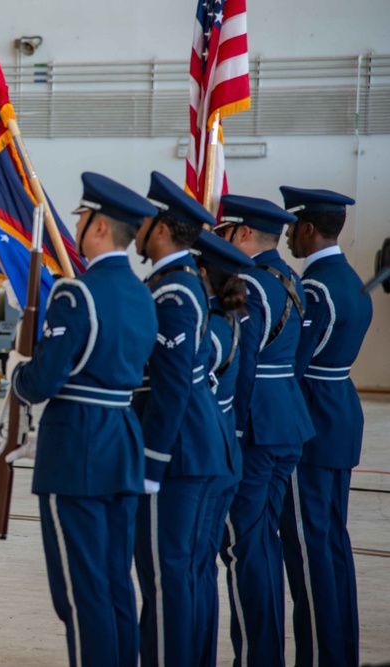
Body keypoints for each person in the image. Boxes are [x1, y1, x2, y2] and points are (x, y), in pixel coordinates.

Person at [8, 172, 158, 667]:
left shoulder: (77, 294)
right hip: (122, 443)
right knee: (116, 582)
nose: (76, 226)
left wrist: (18, 375)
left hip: (76, 449)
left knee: (80, 592)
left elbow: (45, 379)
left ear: (98, 228)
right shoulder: (143, 294)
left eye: (81, 218)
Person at [131, 172, 232, 666]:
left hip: (177, 454)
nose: (139, 228)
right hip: (193, 446)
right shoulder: (178, 284)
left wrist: (150, 467)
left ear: (164, 229)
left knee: (166, 576)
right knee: (182, 574)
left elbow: (169, 389)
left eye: (147, 221)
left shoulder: (172, 293)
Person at [214, 194, 314, 665]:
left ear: (245, 235)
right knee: (263, 543)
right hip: (288, 422)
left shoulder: (251, 285)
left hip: (255, 429)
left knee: (242, 548)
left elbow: (245, 364)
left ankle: (257, 657)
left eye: (230, 230)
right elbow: (296, 357)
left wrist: (230, 432)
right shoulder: (289, 278)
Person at [279, 186, 373, 667]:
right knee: (333, 542)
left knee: (309, 546)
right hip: (339, 413)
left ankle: (318, 657)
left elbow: (292, 363)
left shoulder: (315, 288)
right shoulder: (352, 281)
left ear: (308, 229)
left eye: (292, 228)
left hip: (310, 422)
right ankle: (341, 654)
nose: (288, 237)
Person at [191, 230, 253, 667]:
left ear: (201, 276)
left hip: (202, 457)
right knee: (202, 570)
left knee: (190, 570)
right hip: (225, 451)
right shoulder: (231, 321)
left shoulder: (209, 330)